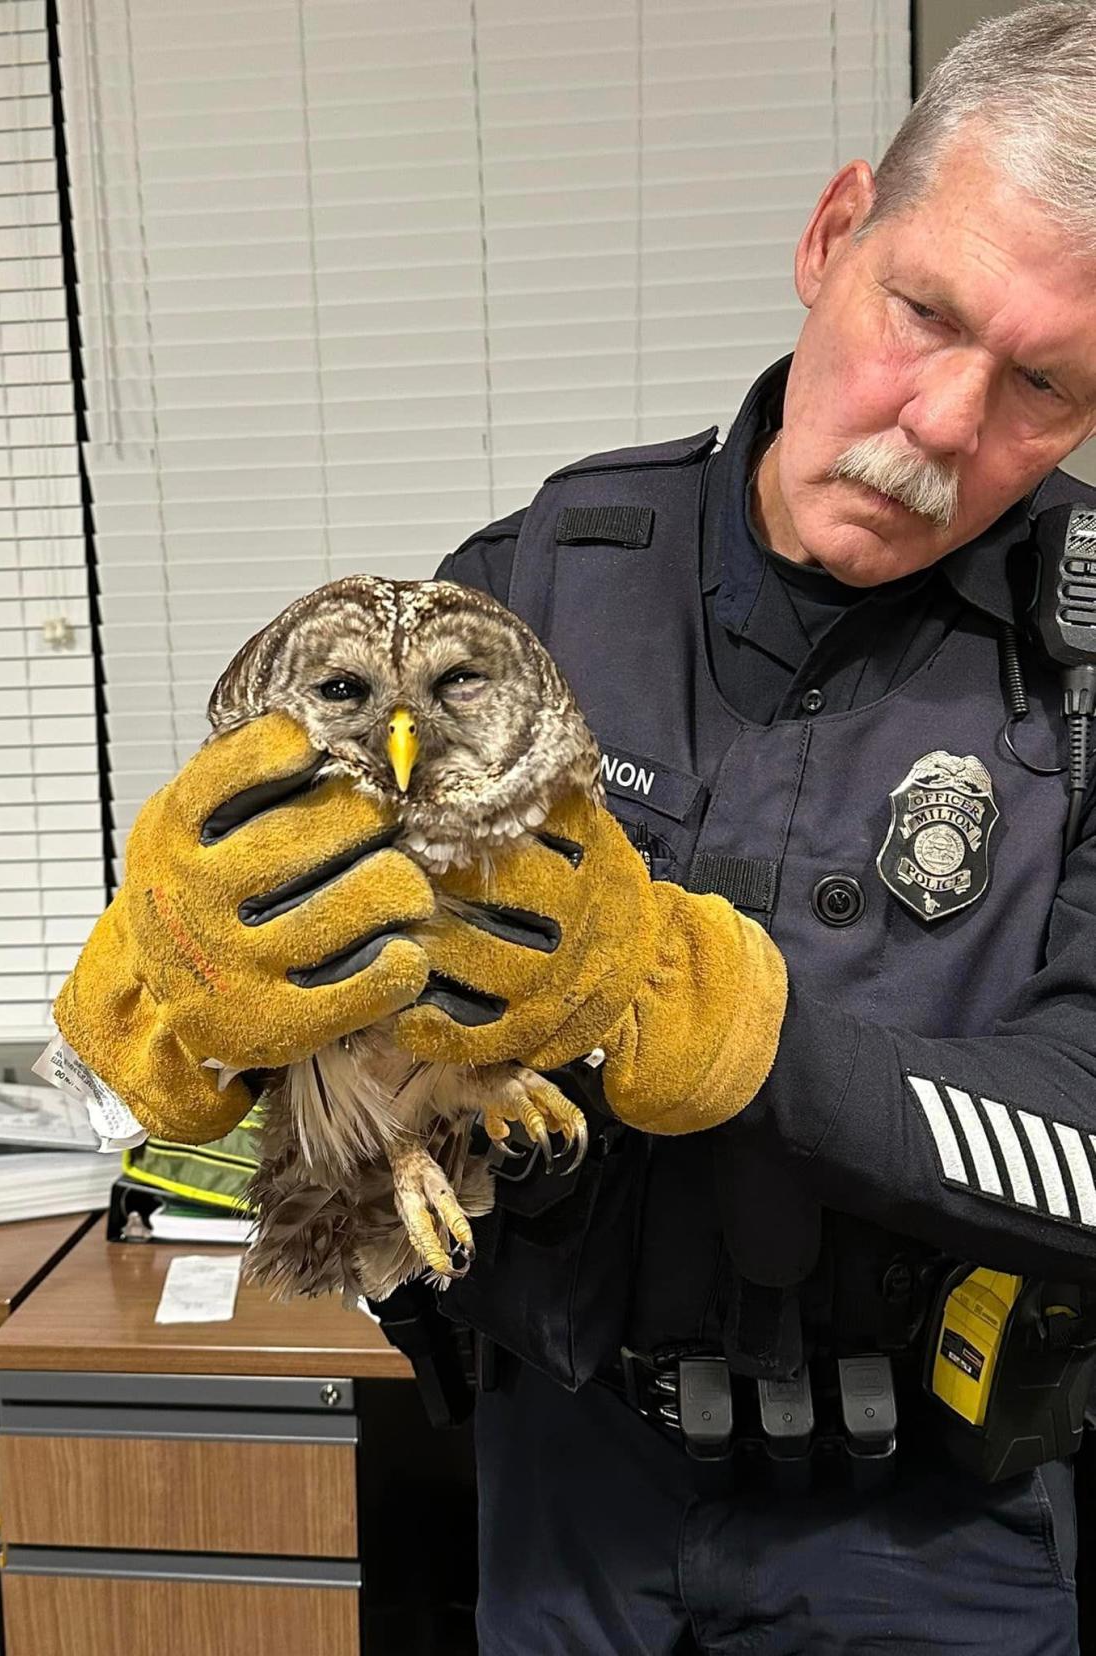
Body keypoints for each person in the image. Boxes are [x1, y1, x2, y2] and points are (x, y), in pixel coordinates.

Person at [416, 7, 1096, 1651]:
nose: (942, 420)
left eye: (1042, 386)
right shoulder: (540, 582)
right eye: (920, 310)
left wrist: (740, 1045)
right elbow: (375, 983)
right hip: (563, 1483)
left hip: (921, 1533)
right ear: (828, 233)